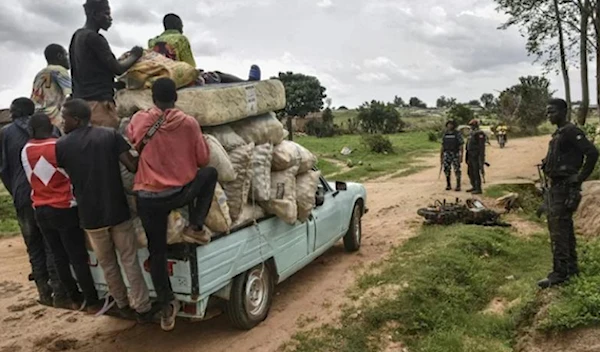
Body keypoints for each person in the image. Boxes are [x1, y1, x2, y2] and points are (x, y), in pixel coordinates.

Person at [127, 78, 217, 331]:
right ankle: (196, 225)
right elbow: (203, 159)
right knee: (209, 174)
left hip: (147, 198)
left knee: (157, 252)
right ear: (175, 97)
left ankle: (167, 304)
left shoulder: (140, 119)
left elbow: (131, 139)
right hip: (178, 194)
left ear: (153, 98)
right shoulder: (189, 123)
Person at [56, 98, 156, 322]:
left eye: (65, 119)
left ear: (76, 119)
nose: (62, 124)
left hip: (90, 216)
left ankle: (122, 304)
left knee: (108, 263)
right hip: (117, 210)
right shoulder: (109, 136)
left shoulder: (61, 146)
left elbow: (67, 173)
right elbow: (131, 166)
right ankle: (143, 308)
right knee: (129, 260)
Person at [21, 113, 101, 312]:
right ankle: (91, 300)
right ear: (52, 126)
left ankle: (72, 298)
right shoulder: (60, 146)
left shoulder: (26, 150)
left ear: (31, 130)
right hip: (64, 208)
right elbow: (71, 174)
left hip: (40, 208)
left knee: (58, 257)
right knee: (77, 256)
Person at [0, 98, 67, 307]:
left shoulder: (5, 134)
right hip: (50, 195)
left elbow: (3, 169)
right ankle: (59, 290)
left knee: (33, 244)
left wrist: (17, 192)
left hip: (23, 197)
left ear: (14, 113)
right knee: (52, 244)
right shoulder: (51, 129)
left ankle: (43, 291)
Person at [537, 98, 599, 289]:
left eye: (553, 112)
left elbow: (592, 153)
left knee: (559, 232)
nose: (549, 116)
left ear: (564, 112)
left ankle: (560, 273)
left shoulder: (571, 131)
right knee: (563, 229)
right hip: (556, 187)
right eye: (547, 112)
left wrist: (579, 178)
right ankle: (570, 269)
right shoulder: (559, 133)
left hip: (565, 188)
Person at [69, 0, 144, 129]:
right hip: (99, 104)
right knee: (103, 144)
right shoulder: (95, 38)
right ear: (94, 14)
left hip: (80, 102)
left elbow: (90, 71)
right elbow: (117, 68)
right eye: (106, 14)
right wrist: (135, 55)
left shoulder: (77, 36)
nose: (110, 18)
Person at [148, 14, 260, 84]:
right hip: (179, 79)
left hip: (159, 79)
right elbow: (190, 66)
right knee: (217, 75)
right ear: (177, 25)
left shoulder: (152, 41)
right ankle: (248, 83)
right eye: (181, 25)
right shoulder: (180, 39)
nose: (182, 28)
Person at [31, 44, 72, 129]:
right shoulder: (60, 70)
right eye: (66, 55)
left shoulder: (40, 74)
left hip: (38, 115)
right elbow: (70, 94)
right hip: (54, 115)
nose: (68, 59)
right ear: (59, 56)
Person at [440, 120, 464, 191]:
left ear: (454, 125)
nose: (449, 126)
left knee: (457, 170)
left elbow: (461, 145)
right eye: (448, 124)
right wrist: (441, 156)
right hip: (447, 154)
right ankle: (448, 185)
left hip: (455, 153)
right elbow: (442, 145)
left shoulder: (457, 134)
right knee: (447, 169)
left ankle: (458, 185)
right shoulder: (445, 134)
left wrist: (461, 155)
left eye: (451, 124)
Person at [466, 119, 486, 195]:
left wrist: (481, 157)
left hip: (476, 156)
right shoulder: (471, 133)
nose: (471, 127)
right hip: (470, 155)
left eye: (473, 125)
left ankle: (478, 188)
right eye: (471, 125)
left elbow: (481, 147)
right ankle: (474, 186)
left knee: (476, 172)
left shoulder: (480, 133)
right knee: (470, 172)